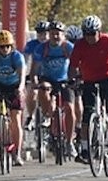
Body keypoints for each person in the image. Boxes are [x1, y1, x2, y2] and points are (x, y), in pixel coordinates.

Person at [69, 15, 108, 163]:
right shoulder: (80, 45)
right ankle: (86, 149)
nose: (89, 37)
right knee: (87, 114)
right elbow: (73, 66)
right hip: (89, 80)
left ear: (99, 32)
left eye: (92, 33)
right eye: (86, 33)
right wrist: (72, 80)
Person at [0, 29, 27, 165]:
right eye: (2, 47)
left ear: (12, 45)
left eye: (8, 46)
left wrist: (20, 89)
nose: (5, 49)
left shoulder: (17, 57)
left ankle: (17, 154)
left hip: (14, 85)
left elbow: (22, 76)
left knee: (15, 119)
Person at [32, 21, 75, 156]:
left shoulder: (68, 47)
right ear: (48, 35)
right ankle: (46, 116)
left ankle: (69, 142)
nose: (55, 36)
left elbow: (77, 64)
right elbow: (34, 68)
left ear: (63, 35)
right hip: (48, 79)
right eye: (52, 34)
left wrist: (78, 78)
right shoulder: (42, 48)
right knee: (43, 88)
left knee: (69, 109)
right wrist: (34, 80)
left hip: (64, 80)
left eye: (58, 34)